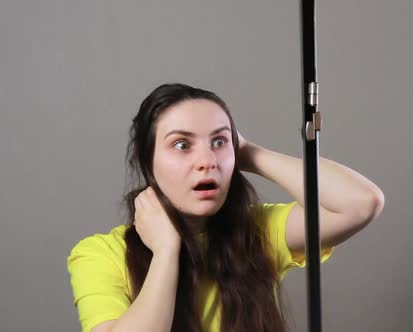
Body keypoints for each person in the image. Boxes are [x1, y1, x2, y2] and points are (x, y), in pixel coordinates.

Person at [67, 83, 385, 332]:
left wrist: (248, 153)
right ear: (149, 162)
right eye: (182, 145)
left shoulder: (257, 232)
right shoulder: (99, 254)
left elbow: (360, 203)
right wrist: (166, 252)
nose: (207, 161)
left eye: (219, 142)